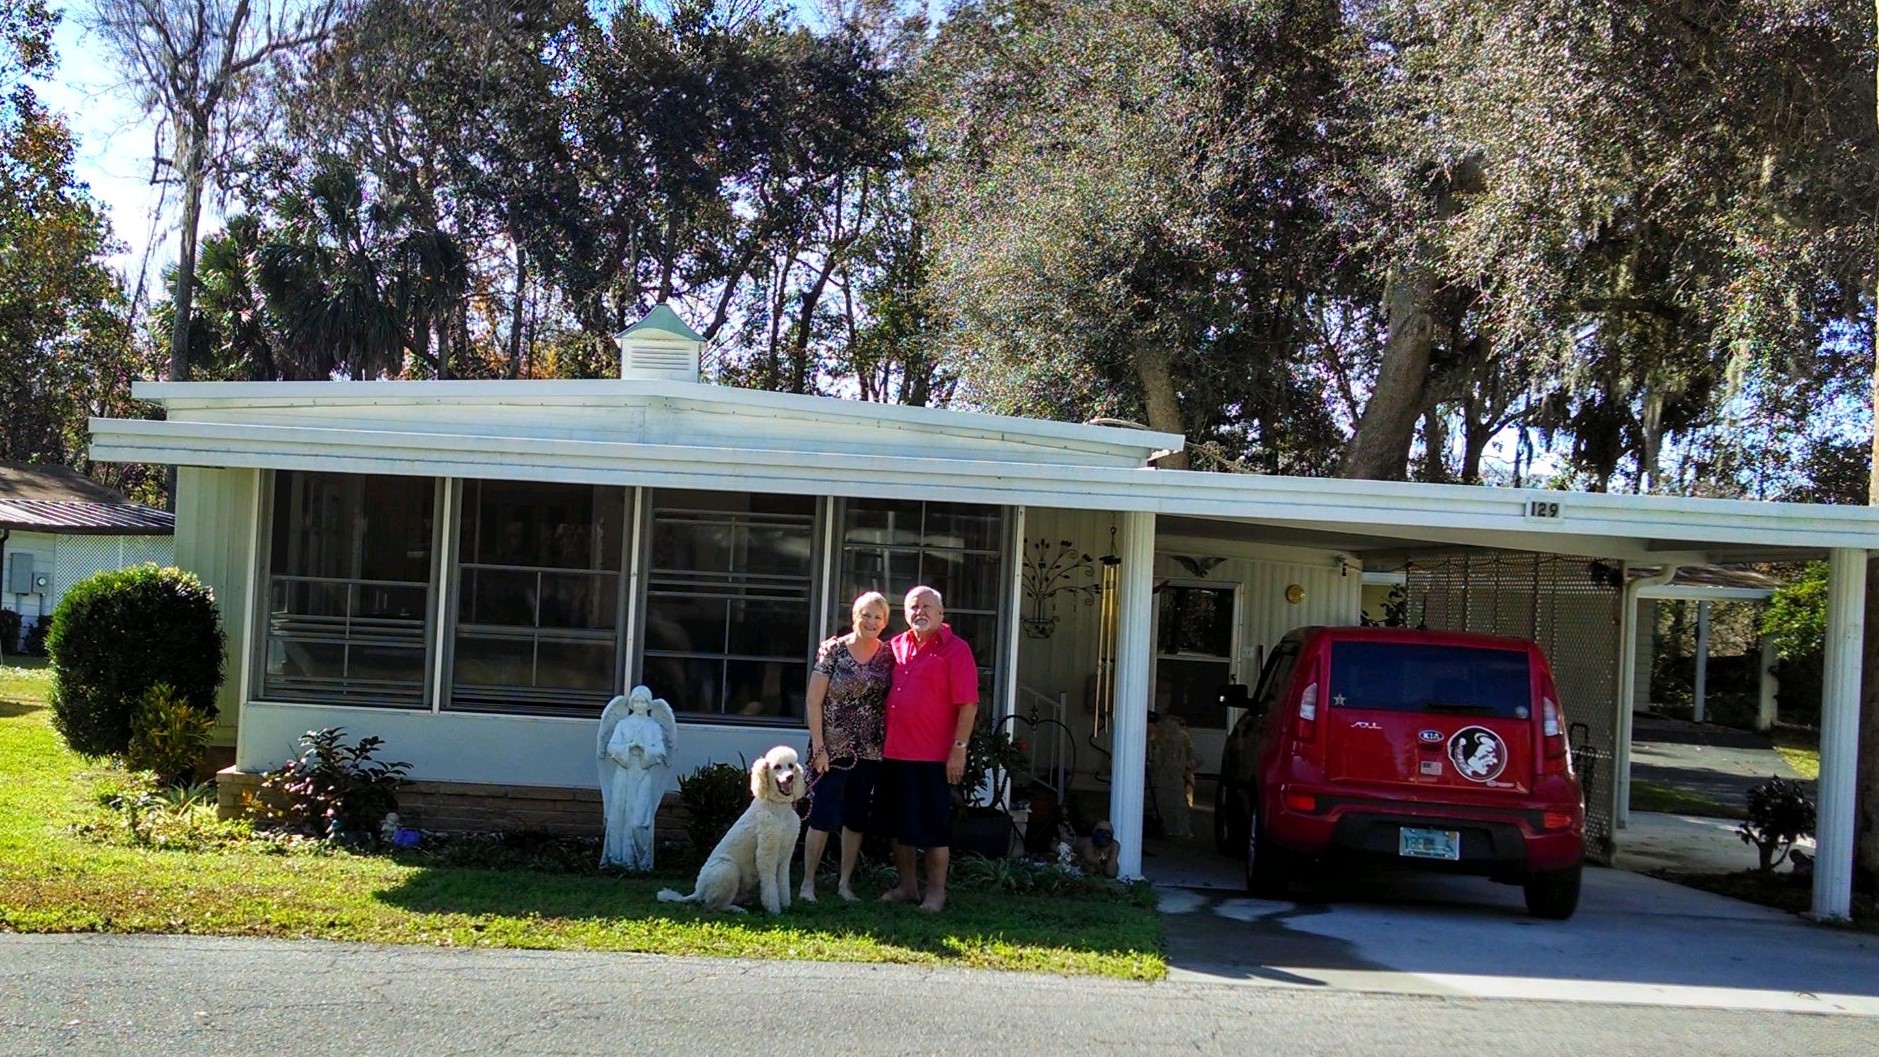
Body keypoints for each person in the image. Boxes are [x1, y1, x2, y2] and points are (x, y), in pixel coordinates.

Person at [878, 585, 979, 912]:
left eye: (927, 606)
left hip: (933, 757)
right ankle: (908, 887)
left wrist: (959, 749)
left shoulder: (956, 650)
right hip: (894, 753)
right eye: (913, 607)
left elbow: (968, 705)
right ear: (905, 613)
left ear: (941, 613)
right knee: (896, 826)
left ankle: (936, 893)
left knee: (935, 830)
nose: (919, 612)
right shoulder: (895, 646)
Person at [799, 591, 894, 902]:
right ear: (855, 616)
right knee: (822, 816)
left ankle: (844, 884)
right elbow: (814, 701)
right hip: (832, 749)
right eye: (865, 614)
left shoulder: (888, 655)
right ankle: (808, 884)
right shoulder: (833, 650)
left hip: (869, 751)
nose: (871, 621)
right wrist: (819, 746)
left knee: (855, 818)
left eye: (877, 617)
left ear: (885, 623)